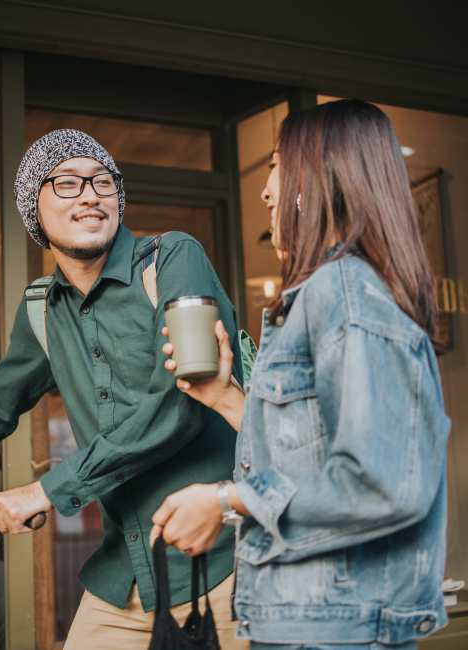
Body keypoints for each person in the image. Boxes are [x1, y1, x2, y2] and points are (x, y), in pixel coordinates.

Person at [0, 129, 247, 649]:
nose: (90, 194)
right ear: (34, 210)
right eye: (66, 182)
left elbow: (179, 405)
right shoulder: (42, 307)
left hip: (220, 568)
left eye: (102, 181)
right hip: (123, 577)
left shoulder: (172, 259)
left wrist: (46, 490)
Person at [151, 99, 450, 650]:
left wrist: (223, 500)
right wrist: (225, 398)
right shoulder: (330, 295)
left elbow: (383, 483)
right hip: (314, 622)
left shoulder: (343, 293)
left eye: (276, 165)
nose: (265, 191)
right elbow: (314, 456)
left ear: (318, 180)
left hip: (335, 629)